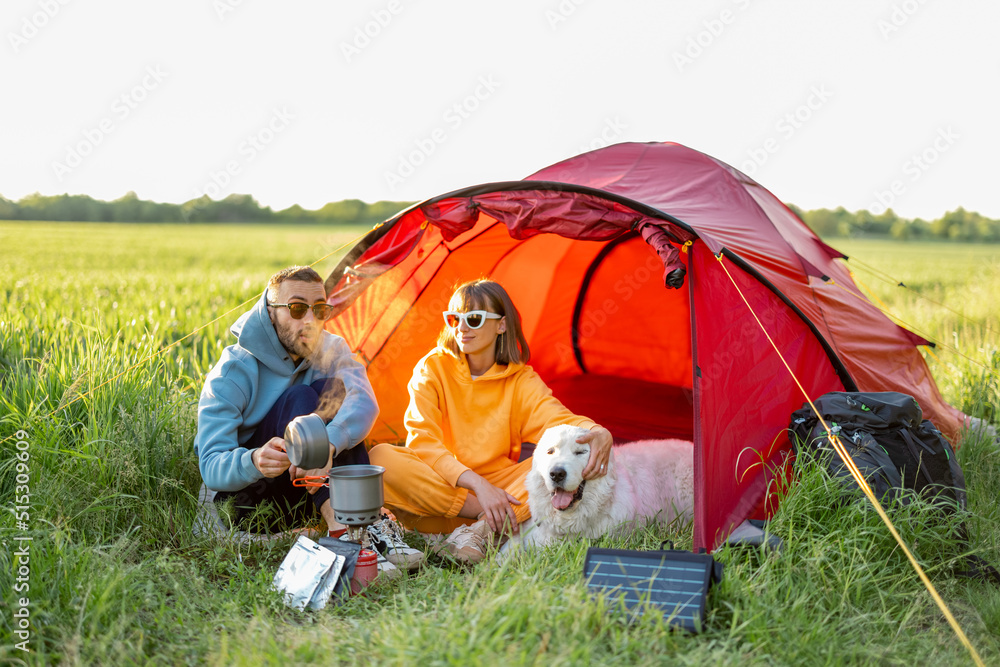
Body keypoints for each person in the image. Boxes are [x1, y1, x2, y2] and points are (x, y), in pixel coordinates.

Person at [194, 265, 423, 571]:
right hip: (251, 500)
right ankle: (348, 532)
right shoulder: (232, 370)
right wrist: (255, 460)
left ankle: (362, 527)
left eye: (319, 309)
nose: (310, 320)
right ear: (270, 312)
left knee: (335, 391)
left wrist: (328, 443)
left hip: (304, 493)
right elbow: (211, 466)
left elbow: (363, 401)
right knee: (300, 398)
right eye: (297, 308)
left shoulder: (331, 349)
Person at [369, 279, 614, 563]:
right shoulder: (433, 367)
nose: (461, 327)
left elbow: (556, 420)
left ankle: (479, 531)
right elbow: (422, 441)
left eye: (473, 319)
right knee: (381, 458)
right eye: (454, 318)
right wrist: (479, 489)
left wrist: (597, 431)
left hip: (501, 488)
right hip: (443, 486)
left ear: (502, 325)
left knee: (544, 467)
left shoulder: (521, 380)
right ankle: (485, 518)